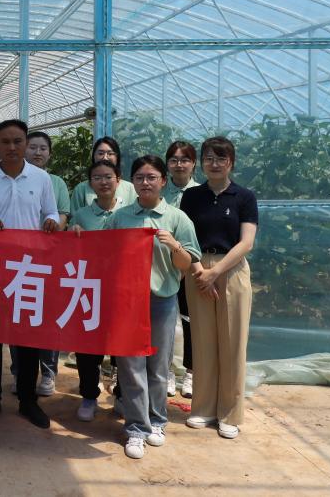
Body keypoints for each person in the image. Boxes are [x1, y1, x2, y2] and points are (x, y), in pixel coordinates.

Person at [104, 155, 200, 459]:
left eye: (152, 177)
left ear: (163, 181)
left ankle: (157, 421)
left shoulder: (177, 219)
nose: (145, 183)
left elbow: (188, 264)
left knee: (158, 366)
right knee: (130, 366)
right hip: (127, 301)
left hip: (162, 300)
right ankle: (136, 428)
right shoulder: (120, 218)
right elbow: (104, 254)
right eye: (140, 177)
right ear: (132, 182)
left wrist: (174, 246)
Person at [0, 119, 60, 430]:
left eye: (17, 141)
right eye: (5, 142)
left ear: (25, 144)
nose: (11, 147)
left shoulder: (41, 178)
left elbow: (50, 210)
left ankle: (27, 400)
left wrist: (51, 221)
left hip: (28, 267)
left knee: (28, 336)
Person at [180, 137, 258, 441]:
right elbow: (185, 237)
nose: (214, 163)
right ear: (201, 163)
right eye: (209, 158)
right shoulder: (192, 197)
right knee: (202, 340)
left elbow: (246, 242)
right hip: (198, 269)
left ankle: (230, 413)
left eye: (221, 158)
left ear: (231, 163)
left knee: (232, 342)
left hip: (231, 269)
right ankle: (203, 408)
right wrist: (201, 271)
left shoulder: (244, 197)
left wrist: (215, 272)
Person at [9, 131, 71, 398]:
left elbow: (63, 215)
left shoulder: (55, 182)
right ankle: (19, 371)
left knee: (45, 317)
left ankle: (48, 372)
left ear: (49, 153)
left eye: (43, 148)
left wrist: (53, 226)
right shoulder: (12, 179)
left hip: (46, 259)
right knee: (17, 317)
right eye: (32, 147)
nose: (37, 152)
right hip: (16, 259)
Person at [69, 160, 130, 422]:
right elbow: (70, 252)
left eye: (108, 176)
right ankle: (88, 395)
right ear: (90, 183)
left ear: (118, 180)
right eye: (97, 177)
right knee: (87, 345)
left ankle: (122, 395)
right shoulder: (82, 215)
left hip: (121, 288)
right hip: (89, 288)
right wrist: (72, 234)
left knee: (122, 344)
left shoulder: (129, 213)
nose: (103, 182)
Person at [163, 141, 200, 398]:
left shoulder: (200, 193)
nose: (179, 165)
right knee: (163, 320)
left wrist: (192, 263)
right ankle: (165, 371)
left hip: (191, 264)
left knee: (190, 320)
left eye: (184, 160)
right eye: (174, 160)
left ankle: (190, 372)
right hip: (162, 265)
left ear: (193, 164)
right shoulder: (160, 191)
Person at [70, 137, 136, 211]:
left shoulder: (130, 189)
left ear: (117, 157)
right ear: (93, 156)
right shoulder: (81, 189)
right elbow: (76, 217)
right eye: (100, 153)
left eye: (110, 154)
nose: (105, 158)